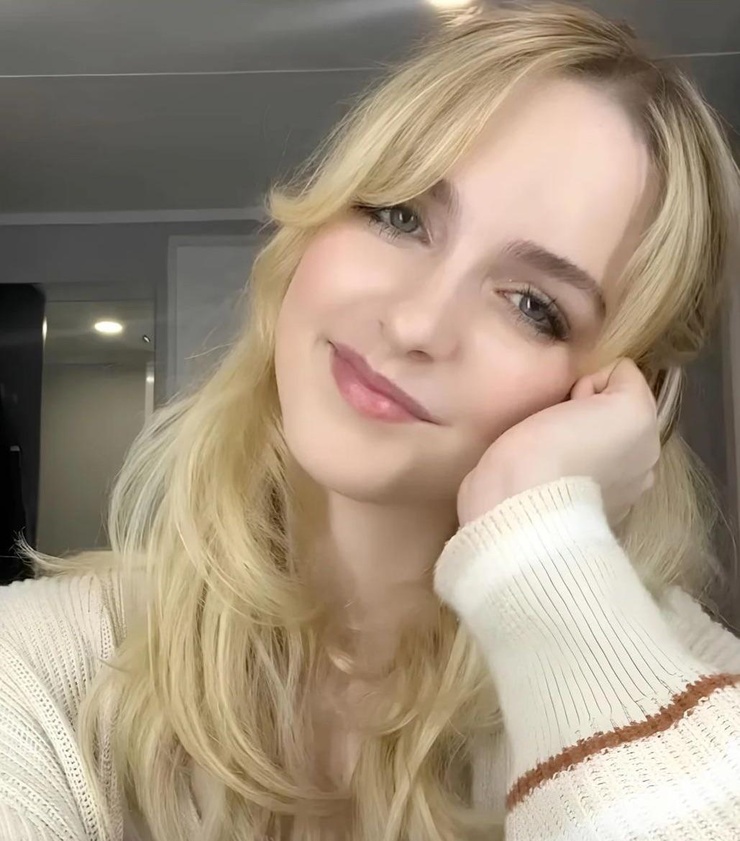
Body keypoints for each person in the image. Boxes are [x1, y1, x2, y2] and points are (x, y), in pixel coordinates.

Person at [1, 3, 740, 839]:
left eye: (533, 305)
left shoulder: (698, 697)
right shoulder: (37, 667)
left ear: (626, 399)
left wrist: (543, 545)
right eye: (400, 215)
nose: (416, 322)